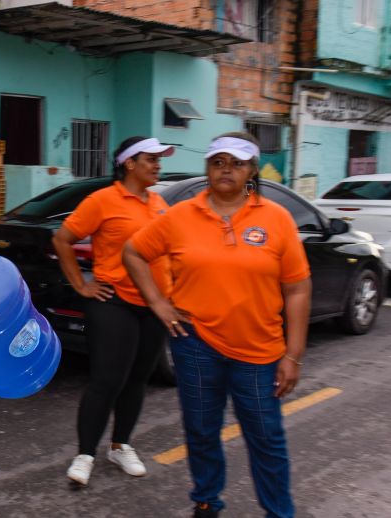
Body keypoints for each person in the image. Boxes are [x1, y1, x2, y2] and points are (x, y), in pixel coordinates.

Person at [122, 132, 312, 518]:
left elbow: (298, 289)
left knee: (266, 437)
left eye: (237, 163)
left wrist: (293, 354)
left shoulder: (276, 218)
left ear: (252, 170)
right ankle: (207, 501)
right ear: (208, 167)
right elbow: (134, 252)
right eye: (218, 162)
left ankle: (279, 511)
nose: (227, 170)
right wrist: (158, 303)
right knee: (201, 430)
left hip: (258, 351)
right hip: (196, 344)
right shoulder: (181, 216)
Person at [52, 136, 175, 486]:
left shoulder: (160, 203)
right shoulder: (102, 200)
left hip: (154, 306)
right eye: (151, 159)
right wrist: (81, 284)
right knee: (107, 380)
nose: (158, 165)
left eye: (159, 160)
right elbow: (62, 239)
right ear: (129, 163)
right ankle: (85, 454)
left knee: (137, 380)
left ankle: (120, 446)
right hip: (114, 302)